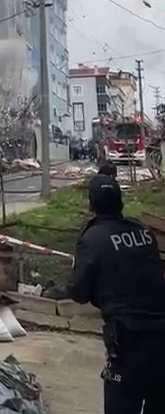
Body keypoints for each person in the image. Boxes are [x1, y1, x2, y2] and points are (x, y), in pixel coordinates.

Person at [67, 174, 165, 413]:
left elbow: (78, 292)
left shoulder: (92, 240)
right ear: (120, 202)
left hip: (128, 341)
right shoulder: (142, 232)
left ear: (91, 205)